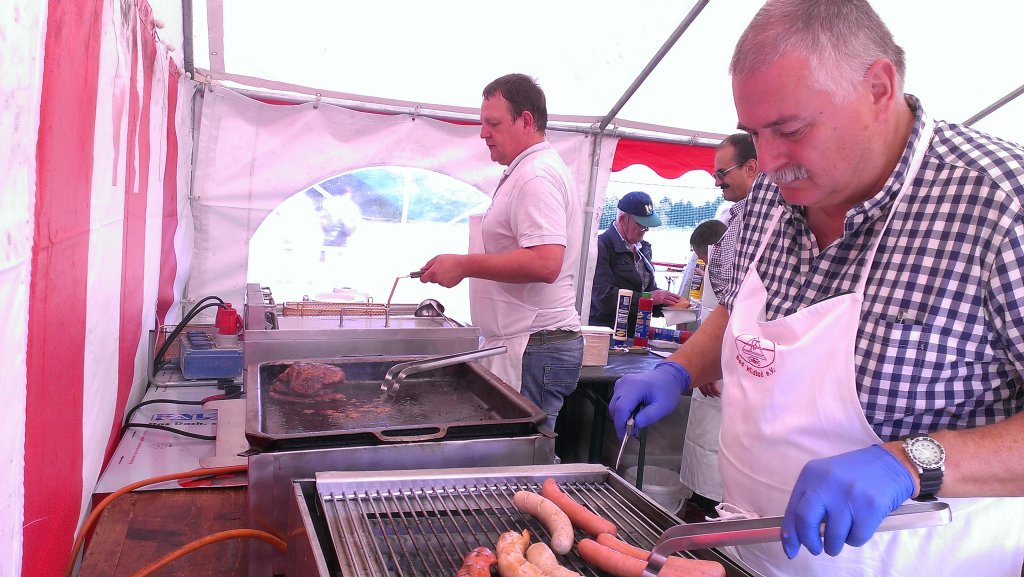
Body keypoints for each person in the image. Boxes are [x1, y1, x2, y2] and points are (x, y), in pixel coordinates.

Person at [609, 1, 1024, 576]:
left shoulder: (1001, 205)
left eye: (790, 130)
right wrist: (678, 370)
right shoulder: (769, 196)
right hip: (749, 556)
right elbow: (739, 312)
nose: (770, 160)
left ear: (879, 88)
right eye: (755, 134)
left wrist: (912, 462)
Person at [419, 73, 583, 433]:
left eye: (493, 124)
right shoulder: (527, 170)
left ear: (526, 121)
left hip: (534, 344)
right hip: (528, 341)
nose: (483, 134)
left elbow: (545, 262)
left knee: (525, 453)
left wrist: (463, 265)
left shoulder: (536, 176)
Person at [680, 134, 759, 521]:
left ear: (752, 168)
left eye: (722, 173)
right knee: (706, 464)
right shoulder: (730, 219)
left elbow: (748, 307)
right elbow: (724, 301)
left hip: (743, 364)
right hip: (719, 353)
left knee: (730, 473)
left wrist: (716, 361)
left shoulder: (769, 223)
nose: (716, 181)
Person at [589, 191, 683, 337]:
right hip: (606, 333)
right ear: (622, 220)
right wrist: (650, 299)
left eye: (648, 225)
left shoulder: (643, 248)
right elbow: (604, 297)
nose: (646, 230)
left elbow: (647, 290)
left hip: (637, 331)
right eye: (641, 225)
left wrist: (668, 302)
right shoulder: (601, 246)